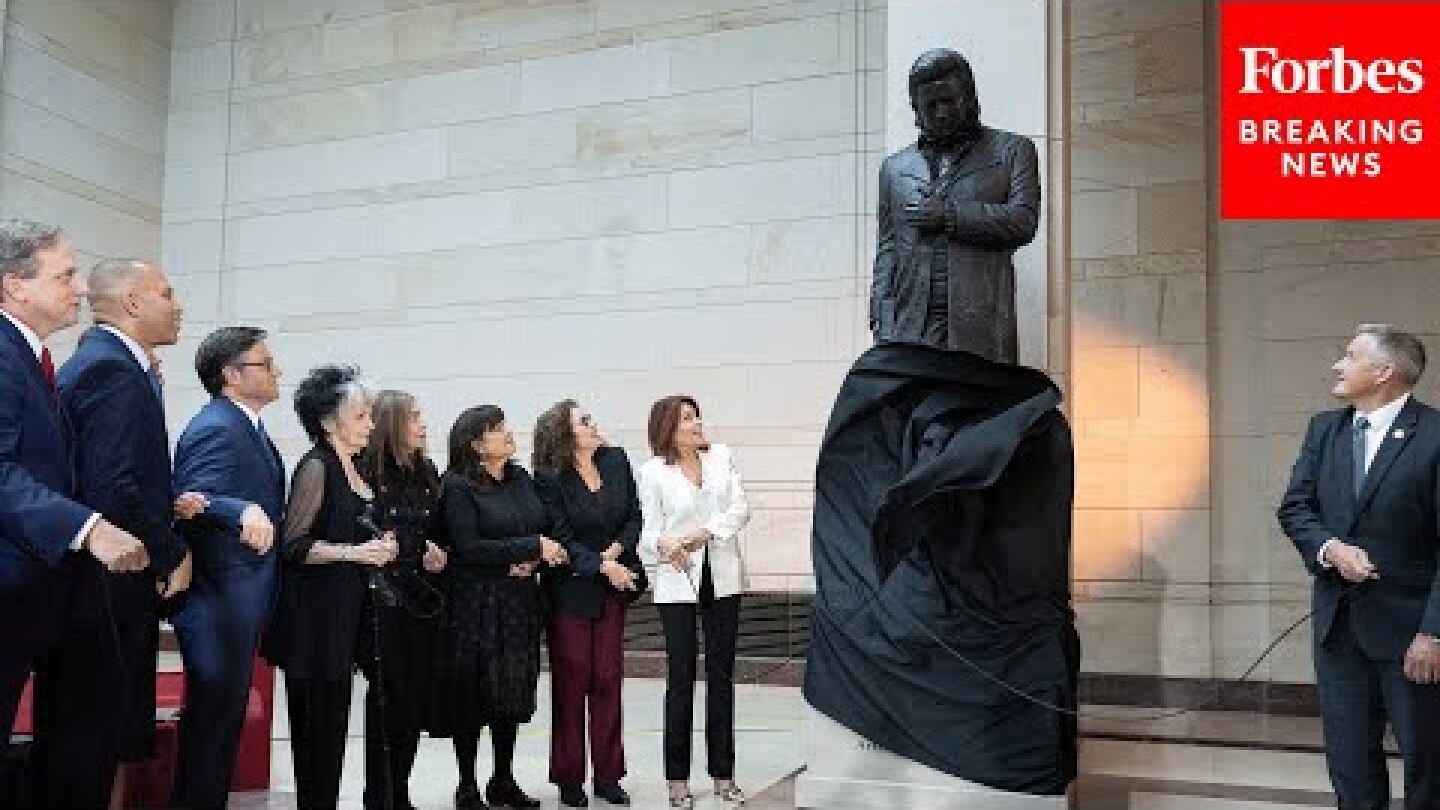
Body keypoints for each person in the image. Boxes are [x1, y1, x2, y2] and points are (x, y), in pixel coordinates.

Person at [0, 221, 149, 806]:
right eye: (64, 276)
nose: (82, 289)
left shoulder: (31, 357)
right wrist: (87, 528)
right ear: (14, 285)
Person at [47, 259, 198, 807]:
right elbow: (111, 486)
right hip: (106, 582)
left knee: (104, 736)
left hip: (102, 580)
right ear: (133, 302)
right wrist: (171, 550)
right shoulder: (113, 369)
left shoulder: (114, 365)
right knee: (95, 738)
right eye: (167, 291)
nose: (178, 304)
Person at [1279, 324, 1440, 809]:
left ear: (1385, 371)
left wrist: (1433, 633)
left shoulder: (1434, 435)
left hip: (1413, 635)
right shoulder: (1323, 429)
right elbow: (1295, 509)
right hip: (1339, 630)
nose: (1338, 365)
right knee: (1349, 762)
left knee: (1427, 762)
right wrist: (1330, 547)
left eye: (1350, 356)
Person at [264, 366, 396, 810]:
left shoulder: (355, 466)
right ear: (327, 422)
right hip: (312, 623)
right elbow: (293, 545)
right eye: (361, 416)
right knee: (315, 736)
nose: (371, 424)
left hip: (346, 617)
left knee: (335, 731)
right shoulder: (316, 467)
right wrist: (354, 553)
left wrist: (380, 545)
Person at [170, 326, 285, 810]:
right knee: (212, 727)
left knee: (223, 726)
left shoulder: (246, 425)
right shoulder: (217, 426)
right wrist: (239, 509)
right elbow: (191, 497)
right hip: (217, 601)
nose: (277, 371)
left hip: (240, 598)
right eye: (265, 363)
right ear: (231, 375)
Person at [869, 48, 1041, 362]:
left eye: (949, 101)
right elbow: (888, 248)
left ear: (970, 96)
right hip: (910, 329)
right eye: (931, 105)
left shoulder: (1013, 151)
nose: (942, 113)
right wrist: (881, 317)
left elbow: (1023, 220)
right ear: (916, 110)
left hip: (981, 327)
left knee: (982, 411)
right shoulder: (894, 168)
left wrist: (950, 216)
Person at [436, 406, 567, 810]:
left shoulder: (519, 477)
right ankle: (467, 783)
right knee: (473, 695)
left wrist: (534, 554)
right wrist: (528, 548)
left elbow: (539, 525)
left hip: (519, 603)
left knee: (510, 693)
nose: (509, 434)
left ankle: (503, 779)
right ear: (476, 444)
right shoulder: (457, 486)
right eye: (497, 430)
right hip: (476, 605)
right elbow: (467, 546)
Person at [636, 396, 751, 809]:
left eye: (697, 414)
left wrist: (703, 533)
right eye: (687, 417)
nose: (697, 422)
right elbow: (648, 534)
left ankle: (724, 775)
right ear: (669, 427)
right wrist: (666, 542)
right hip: (676, 581)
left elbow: (741, 509)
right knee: (680, 680)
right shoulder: (652, 472)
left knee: (721, 677)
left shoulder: (722, 456)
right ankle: (677, 780)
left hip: (722, 578)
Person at [532, 401, 644, 808]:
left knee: (608, 683)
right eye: (584, 421)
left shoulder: (616, 460)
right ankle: (569, 778)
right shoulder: (547, 478)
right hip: (570, 593)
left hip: (613, 587)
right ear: (564, 435)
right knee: (571, 686)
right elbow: (559, 536)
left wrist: (615, 553)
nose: (594, 425)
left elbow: (634, 515)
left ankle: (609, 775)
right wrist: (601, 565)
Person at [356, 390, 448, 810]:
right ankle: (380, 795)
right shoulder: (365, 470)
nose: (423, 423)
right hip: (380, 601)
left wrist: (437, 552)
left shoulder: (426, 470)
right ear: (391, 423)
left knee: (414, 698)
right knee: (386, 697)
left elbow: (442, 531)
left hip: (421, 599)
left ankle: (400, 791)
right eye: (414, 416)